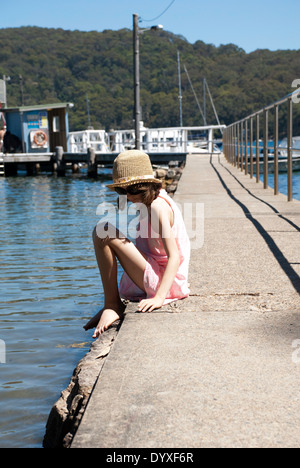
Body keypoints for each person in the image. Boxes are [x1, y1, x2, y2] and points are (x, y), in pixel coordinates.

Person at [84, 150, 190, 339]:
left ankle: (112, 305)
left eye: (131, 190)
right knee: (103, 230)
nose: (127, 195)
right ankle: (111, 303)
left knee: (103, 231)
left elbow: (174, 256)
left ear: (145, 185)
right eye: (122, 190)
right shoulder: (148, 203)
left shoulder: (158, 208)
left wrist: (159, 298)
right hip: (157, 271)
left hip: (165, 281)